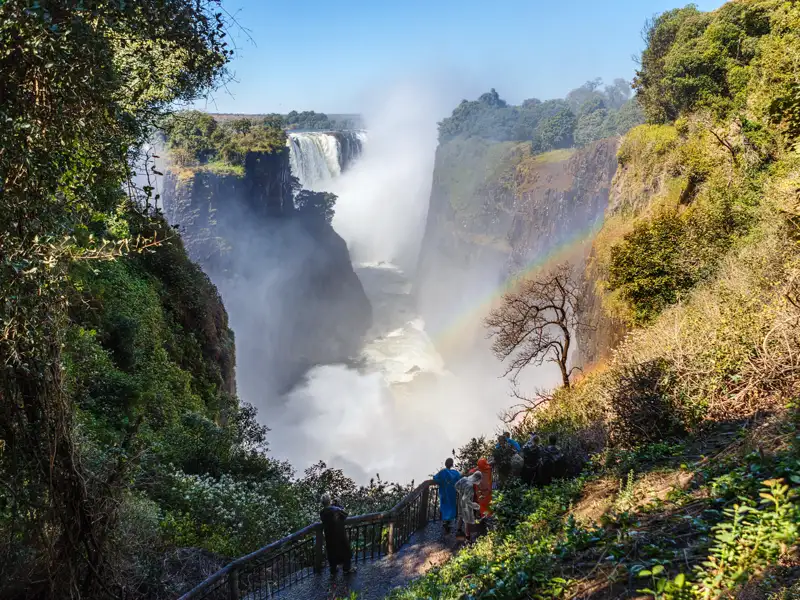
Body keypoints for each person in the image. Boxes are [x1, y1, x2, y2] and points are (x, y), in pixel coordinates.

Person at [320, 494, 355, 577]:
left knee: (332, 552)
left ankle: (333, 570)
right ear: (329, 501)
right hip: (339, 534)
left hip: (329, 536)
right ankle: (347, 569)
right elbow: (345, 515)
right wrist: (339, 506)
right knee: (345, 550)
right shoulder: (336, 509)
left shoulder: (322, 512)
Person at [432, 458, 461, 533]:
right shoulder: (455, 473)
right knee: (451, 507)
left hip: (444, 493)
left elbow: (435, 478)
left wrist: (441, 482)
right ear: (452, 464)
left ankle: (445, 522)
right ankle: (449, 522)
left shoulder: (443, 472)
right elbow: (459, 479)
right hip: (452, 493)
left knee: (444, 507)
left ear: (445, 464)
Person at [455, 472, 482, 543]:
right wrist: (474, 505)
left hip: (460, 501)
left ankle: (459, 531)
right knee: (467, 520)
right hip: (466, 505)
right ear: (476, 479)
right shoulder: (470, 486)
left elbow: (456, 486)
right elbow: (466, 500)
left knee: (460, 516)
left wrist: (461, 492)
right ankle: (468, 537)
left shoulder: (464, 479)